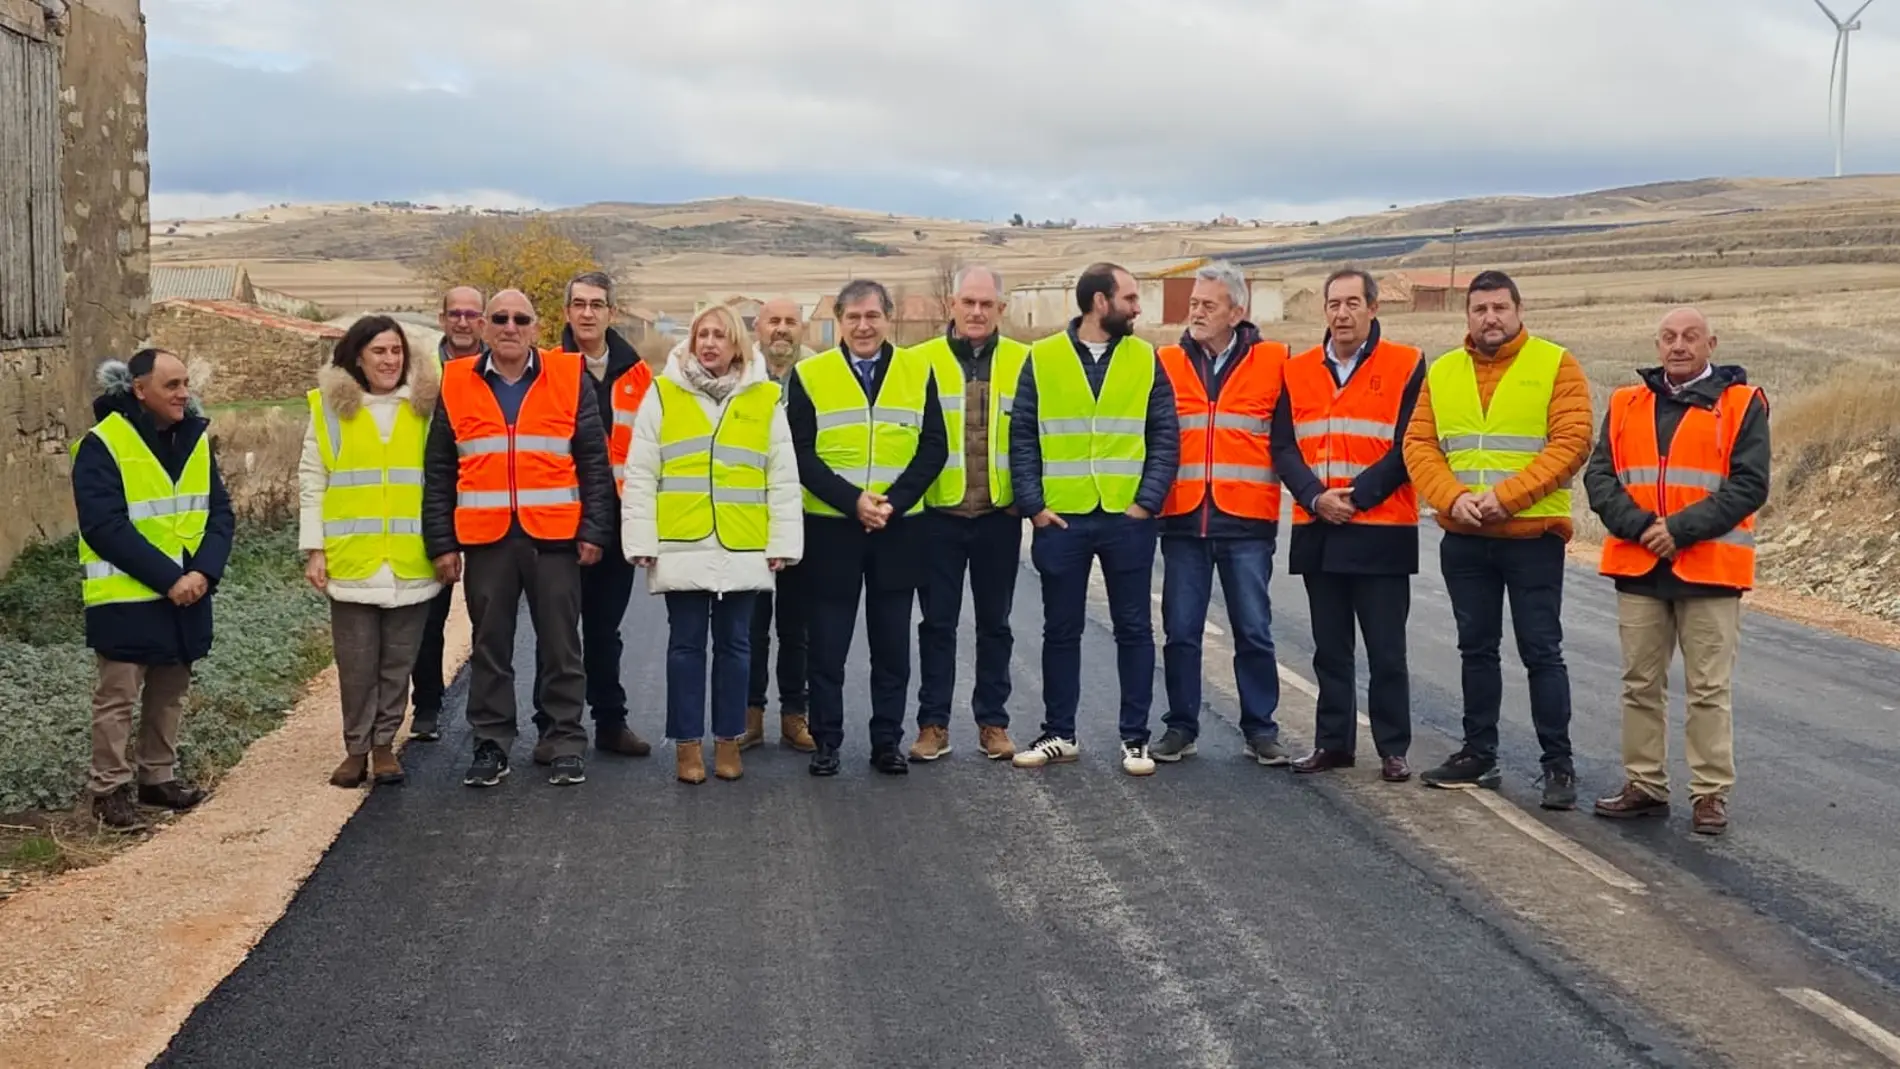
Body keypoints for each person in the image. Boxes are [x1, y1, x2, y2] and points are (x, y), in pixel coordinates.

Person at [1402, 269, 1593, 809]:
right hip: (1464, 537)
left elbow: (1571, 442)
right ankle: (1478, 754)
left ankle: (1558, 765)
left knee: (1541, 651)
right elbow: (1419, 445)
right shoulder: (1442, 372)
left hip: (1532, 537)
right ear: (1467, 315)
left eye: (1500, 308)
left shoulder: (1557, 364)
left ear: (1518, 310)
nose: (1490, 318)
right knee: (1476, 650)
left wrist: (1506, 497)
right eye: (1480, 309)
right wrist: (1450, 497)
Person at [1584, 307, 1768, 836]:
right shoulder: (1625, 403)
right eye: (1669, 337)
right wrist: (1643, 526)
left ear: (1712, 342)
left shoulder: (1741, 404)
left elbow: (1749, 484)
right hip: (1640, 565)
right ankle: (1645, 784)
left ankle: (1709, 794)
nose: (1678, 345)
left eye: (1690, 337)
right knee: (1640, 682)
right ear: (1657, 344)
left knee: (1708, 687)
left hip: (1709, 568)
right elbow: (1600, 477)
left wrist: (1680, 529)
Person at [422, 289, 616, 789]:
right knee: (490, 645)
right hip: (487, 540)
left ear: (536, 326)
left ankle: (564, 739)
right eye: (501, 318)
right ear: (485, 326)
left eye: (521, 319)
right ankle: (491, 742)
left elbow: (594, 461)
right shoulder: (457, 382)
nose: (510, 326)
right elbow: (440, 469)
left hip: (554, 538)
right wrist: (442, 543)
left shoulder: (568, 377)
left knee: (560, 644)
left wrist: (595, 529)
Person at [1008, 262, 1179, 777]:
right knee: (1061, 630)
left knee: (1133, 629)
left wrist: (1146, 503)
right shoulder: (1043, 358)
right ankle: (1060, 733)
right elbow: (1022, 437)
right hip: (1062, 520)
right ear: (1100, 302)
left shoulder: (1147, 359)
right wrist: (1033, 506)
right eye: (1129, 297)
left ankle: (1135, 739)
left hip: (1127, 519)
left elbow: (1165, 436)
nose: (1138, 307)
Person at [623, 305, 803, 784]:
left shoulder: (765, 398)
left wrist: (782, 542)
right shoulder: (663, 394)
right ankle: (687, 748)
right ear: (690, 340)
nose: (709, 343)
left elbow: (781, 478)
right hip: (682, 540)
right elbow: (641, 471)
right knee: (685, 647)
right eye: (702, 334)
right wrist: (641, 540)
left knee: (736, 646)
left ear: (737, 344)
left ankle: (728, 742)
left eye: (720, 335)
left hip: (744, 542)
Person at [785, 279, 948, 777]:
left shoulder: (918, 371)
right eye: (853, 317)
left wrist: (892, 504)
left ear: (888, 317)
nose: (863, 326)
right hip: (833, 528)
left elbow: (934, 448)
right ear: (838, 318)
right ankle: (827, 742)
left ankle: (886, 743)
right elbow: (801, 452)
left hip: (898, 530)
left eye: (872, 316)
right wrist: (853, 502)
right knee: (828, 645)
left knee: (892, 646)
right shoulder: (810, 374)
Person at [70, 349, 235, 830]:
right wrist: (171, 579)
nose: (184, 393)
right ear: (139, 389)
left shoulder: (196, 439)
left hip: (188, 592)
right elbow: (104, 526)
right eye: (172, 385)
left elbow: (219, 514)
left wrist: (204, 572)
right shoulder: (103, 444)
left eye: (186, 383)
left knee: (170, 691)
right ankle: (109, 790)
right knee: (117, 697)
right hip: (126, 595)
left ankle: (156, 779)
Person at [1272, 268, 1425, 782]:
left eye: (1353, 303)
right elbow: (1283, 447)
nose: (1342, 313)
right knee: (1329, 649)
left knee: (1386, 651)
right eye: (1334, 304)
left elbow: (1410, 446)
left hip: (1380, 530)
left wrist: (1354, 498)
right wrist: (1316, 498)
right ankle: (1333, 744)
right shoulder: (1296, 371)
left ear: (1374, 308)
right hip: (1319, 530)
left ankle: (1392, 749)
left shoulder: (1406, 365)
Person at [1153, 261, 1288, 766]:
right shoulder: (1166, 361)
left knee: (1253, 629)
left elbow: (1288, 440)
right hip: (1185, 520)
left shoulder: (1274, 360)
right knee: (1181, 630)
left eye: (1209, 305)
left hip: (1247, 524)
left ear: (1237, 310)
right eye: (1193, 304)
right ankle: (1181, 727)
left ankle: (1261, 729)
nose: (1197, 313)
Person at [299, 317, 441, 788]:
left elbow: (441, 481)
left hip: (410, 558)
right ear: (357, 355)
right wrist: (314, 547)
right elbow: (312, 482)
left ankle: (384, 747)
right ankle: (355, 749)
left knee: (398, 663)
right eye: (379, 351)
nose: (389, 360)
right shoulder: (327, 410)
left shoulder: (426, 409)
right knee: (356, 665)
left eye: (396, 351)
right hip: (352, 558)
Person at [523, 271, 654, 761]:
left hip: (616, 521)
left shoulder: (638, 374)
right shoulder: (548, 367)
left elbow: (648, 452)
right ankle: (551, 726)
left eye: (596, 305)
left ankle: (610, 723)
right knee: (556, 631)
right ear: (565, 312)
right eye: (578, 304)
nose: (587, 313)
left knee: (604, 630)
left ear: (611, 313)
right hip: (558, 518)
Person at [907, 265, 1028, 762]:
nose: (976, 312)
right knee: (937, 623)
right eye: (968, 302)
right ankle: (933, 724)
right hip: (939, 517)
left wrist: (1029, 497)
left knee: (995, 624)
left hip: (1000, 516)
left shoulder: (1027, 361)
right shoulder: (919, 362)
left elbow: (1035, 436)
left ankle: (993, 724)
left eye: (986, 304)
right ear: (951, 306)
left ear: (1002, 309)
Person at [408, 284, 488, 742]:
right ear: (442, 319)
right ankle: (428, 706)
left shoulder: (501, 366)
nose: (462, 321)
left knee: (489, 616)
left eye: (471, 314)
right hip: (436, 498)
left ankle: (487, 711)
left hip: (488, 503)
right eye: (454, 313)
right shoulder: (420, 373)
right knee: (431, 612)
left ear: (482, 321)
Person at [743, 296, 817, 752]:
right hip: (749, 521)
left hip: (806, 521)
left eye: (791, 322)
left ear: (802, 330)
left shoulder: (818, 379)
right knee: (750, 628)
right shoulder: (740, 378)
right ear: (758, 328)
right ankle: (750, 717)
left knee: (797, 628)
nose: (782, 330)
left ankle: (795, 715)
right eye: (775, 321)